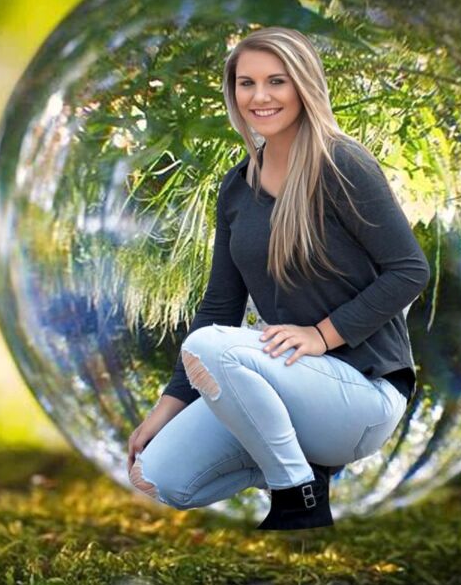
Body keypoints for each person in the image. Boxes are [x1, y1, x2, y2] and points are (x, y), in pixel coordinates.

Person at [127, 26, 431, 531]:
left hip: (364, 394)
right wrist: (167, 407)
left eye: (276, 81)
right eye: (246, 83)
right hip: (287, 390)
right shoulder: (236, 187)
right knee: (160, 477)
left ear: (303, 85)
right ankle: (300, 469)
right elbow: (220, 305)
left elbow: (409, 270)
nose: (260, 97)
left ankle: (297, 495)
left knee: (212, 346)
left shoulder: (342, 163)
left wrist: (322, 335)